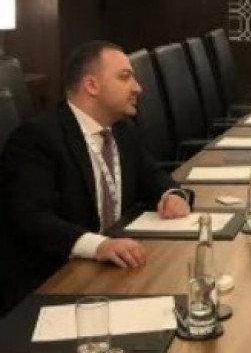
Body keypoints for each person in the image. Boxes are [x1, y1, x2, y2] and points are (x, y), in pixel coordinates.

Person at [0, 41, 191, 315]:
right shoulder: (37, 138)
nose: (137, 87)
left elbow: (154, 176)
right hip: (54, 285)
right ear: (92, 85)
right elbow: (31, 219)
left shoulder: (121, 131)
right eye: (125, 77)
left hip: (112, 274)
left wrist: (172, 195)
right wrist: (98, 246)